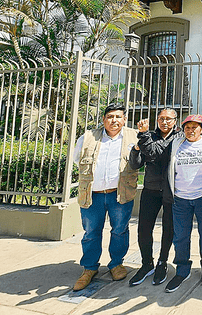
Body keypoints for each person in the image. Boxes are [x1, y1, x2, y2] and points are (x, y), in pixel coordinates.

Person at [140, 114, 202, 293]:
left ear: (201, 129)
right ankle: (182, 269)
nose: (191, 130)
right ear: (183, 129)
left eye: (195, 127)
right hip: (180, 198)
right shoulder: (176, 144)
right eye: (187, 127)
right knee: (180, 236)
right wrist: (143, 137)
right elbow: (156, 154)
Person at [72, 104, 139, 291]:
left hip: (120, 194)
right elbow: (77, 159)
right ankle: (89, 268)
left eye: (118, 116)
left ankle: (116, 263)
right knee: (91, 232)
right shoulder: (87, 138)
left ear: (124, 119)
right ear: (103, 119)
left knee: (119, 230)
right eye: (110, 116)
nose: (114, 120)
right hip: (92, 195)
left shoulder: (133, 137)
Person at [127, 108, 179, 287]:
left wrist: (143, 139)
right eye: (161, 119)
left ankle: (162, 262)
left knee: (168, 228)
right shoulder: (148, 136)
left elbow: (155, 153)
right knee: (143, 228)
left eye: (169, 119)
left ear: (175, 121)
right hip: (150, 188)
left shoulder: (178, 138)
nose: (165, 122)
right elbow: (136, 163)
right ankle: (146, 262)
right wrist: (136, 149)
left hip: (171, 189)